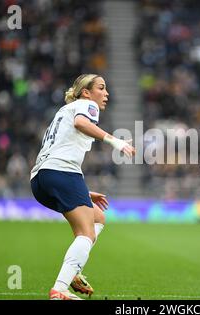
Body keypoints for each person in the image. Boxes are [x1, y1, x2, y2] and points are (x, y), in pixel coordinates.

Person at [30, 74, 135, 300]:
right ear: (86, 92)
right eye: (101, 88)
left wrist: (82, 192)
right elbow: (81, 123)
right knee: (86, 233)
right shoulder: (87, 105)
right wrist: (115, 141)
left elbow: (57, 146)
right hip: (62, 172)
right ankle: (59, 290)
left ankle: (74, 271)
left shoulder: (62, 113)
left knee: (98, 218)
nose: (106, 93)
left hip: (40, 179)